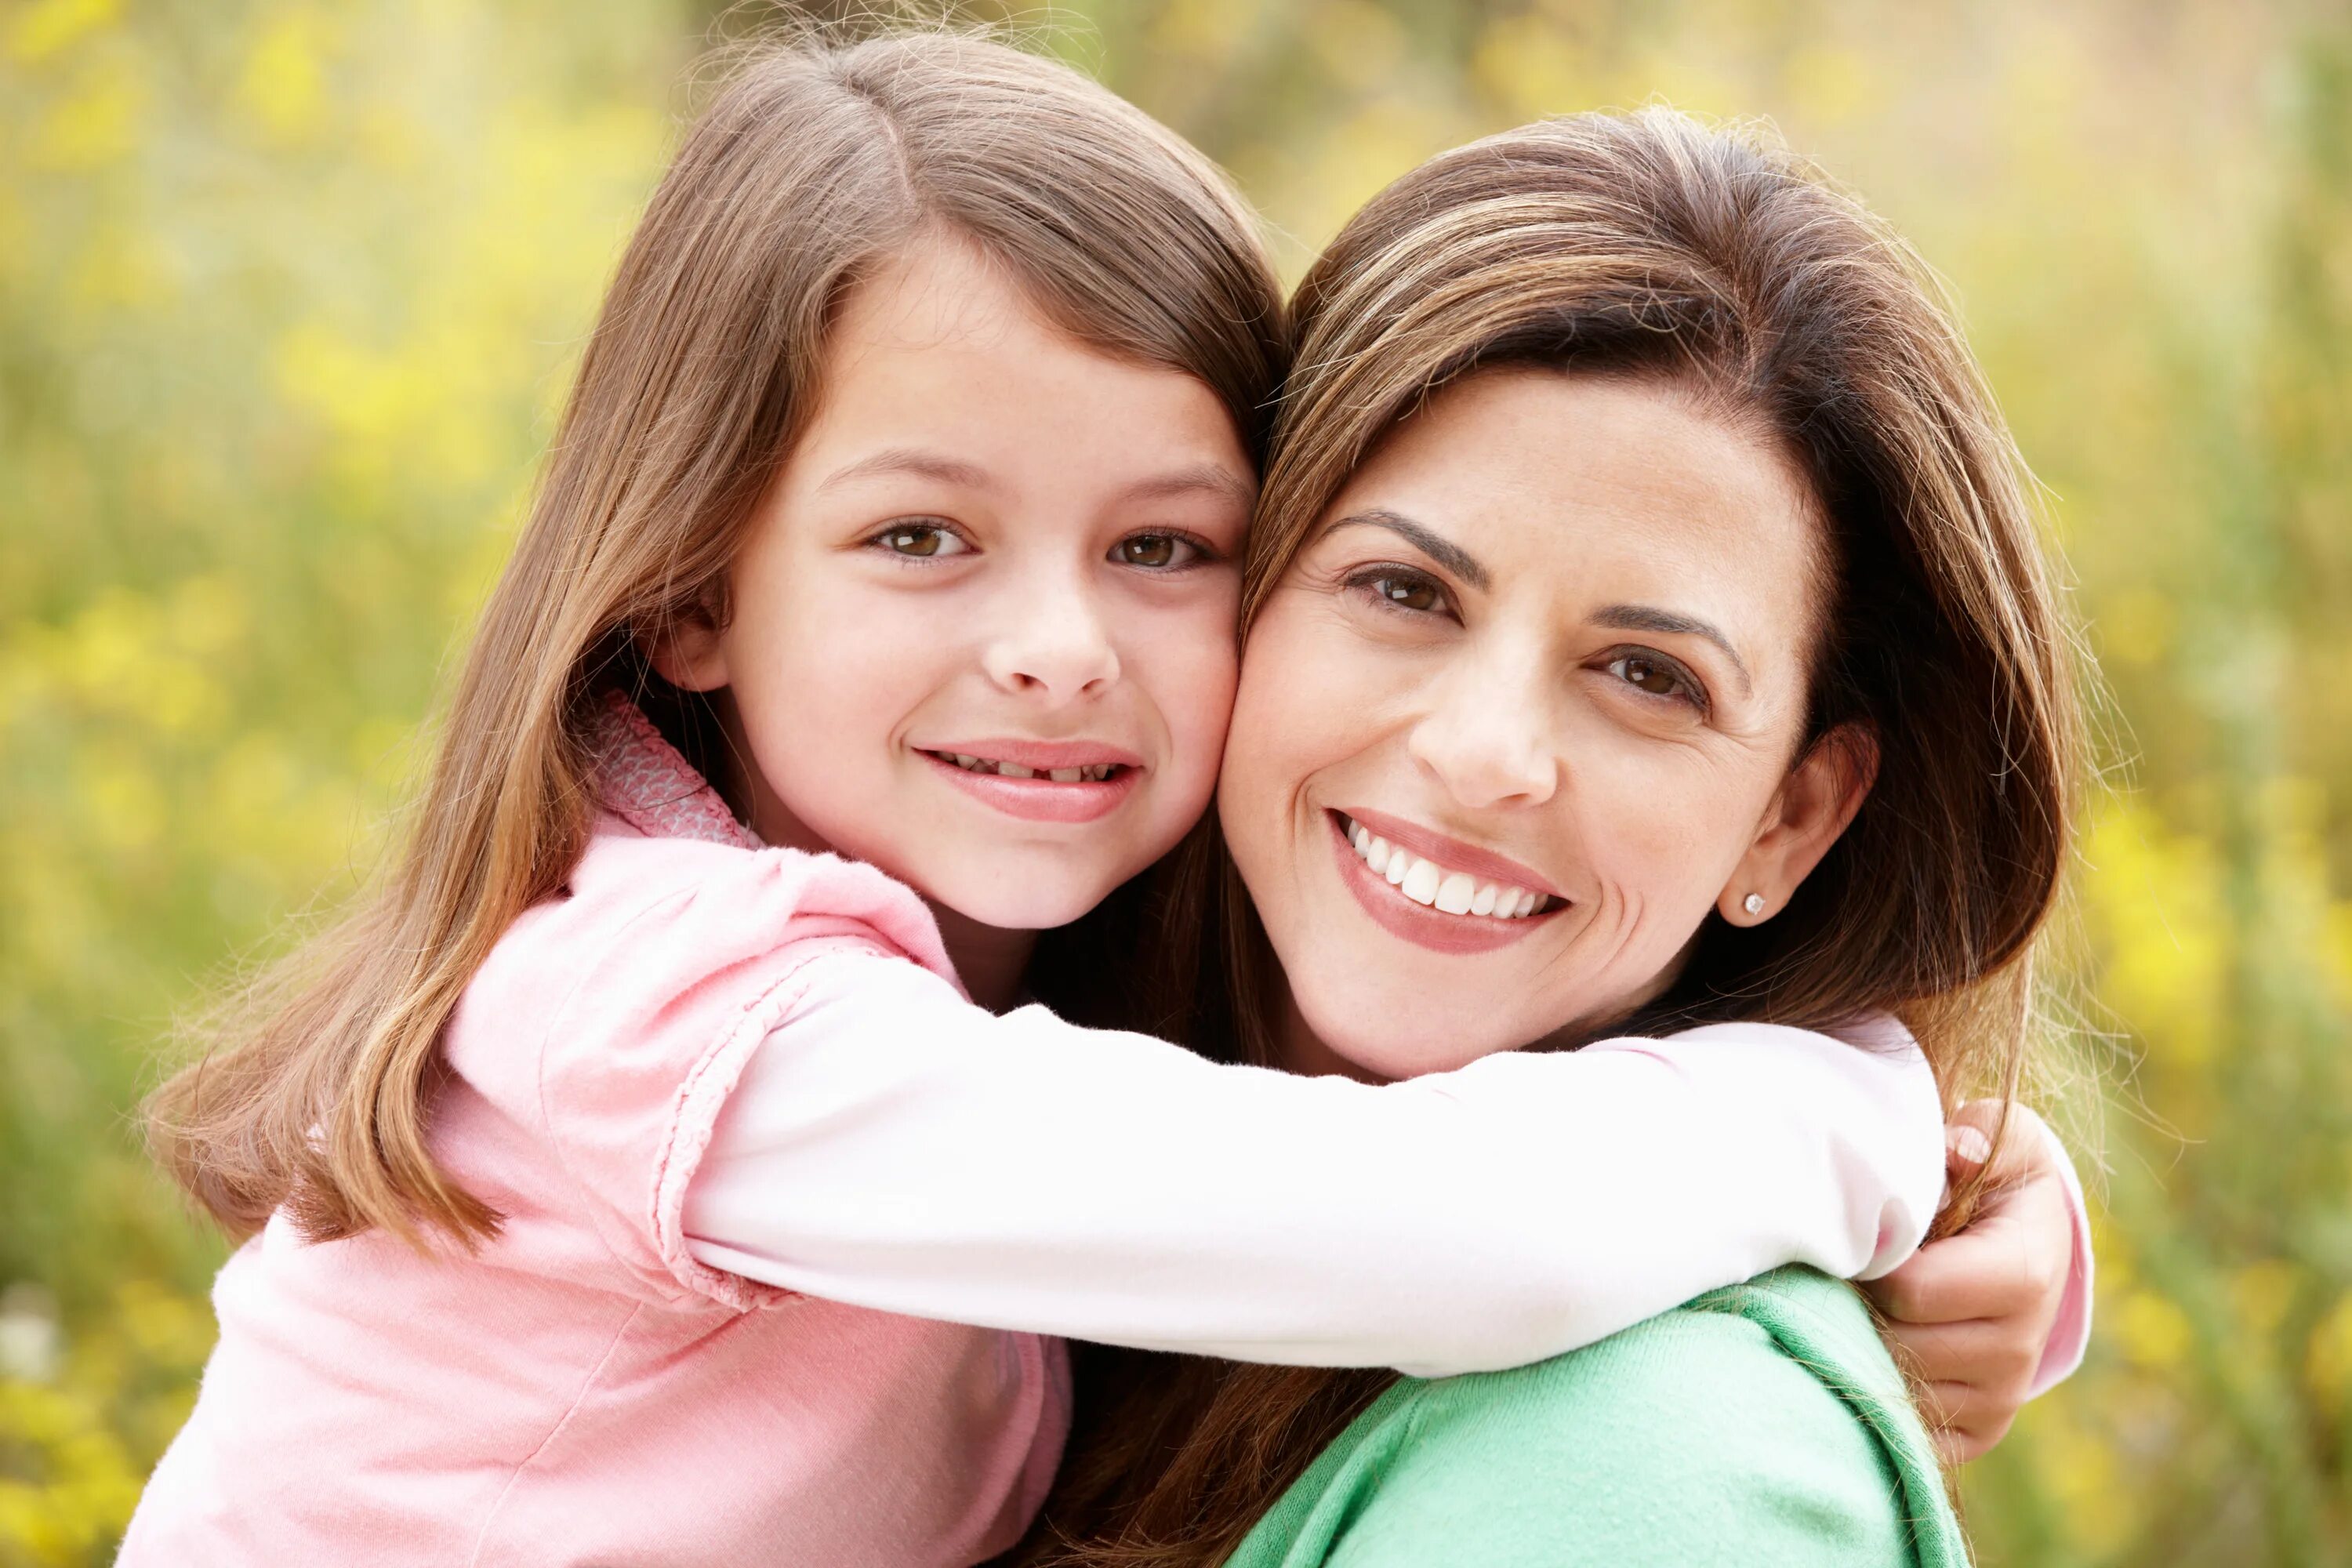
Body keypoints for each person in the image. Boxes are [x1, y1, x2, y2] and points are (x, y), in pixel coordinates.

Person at [123, 31, 2080, 1568]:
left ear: (1798, 815)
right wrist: (1854, 1113)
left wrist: (1995, 1219)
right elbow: (1442, 1233)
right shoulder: (674, 1010)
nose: (1059, 646)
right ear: (694, 588)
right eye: (919, 536)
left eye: (1164, 548)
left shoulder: (1025, 965)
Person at [1018, 107, 2093, 1567]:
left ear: (1791, 815)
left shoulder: (1661, 1473)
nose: (1484, 756)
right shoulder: (970, 1010)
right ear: (1238, 584)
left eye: (1650, 675)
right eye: (1403, 590)